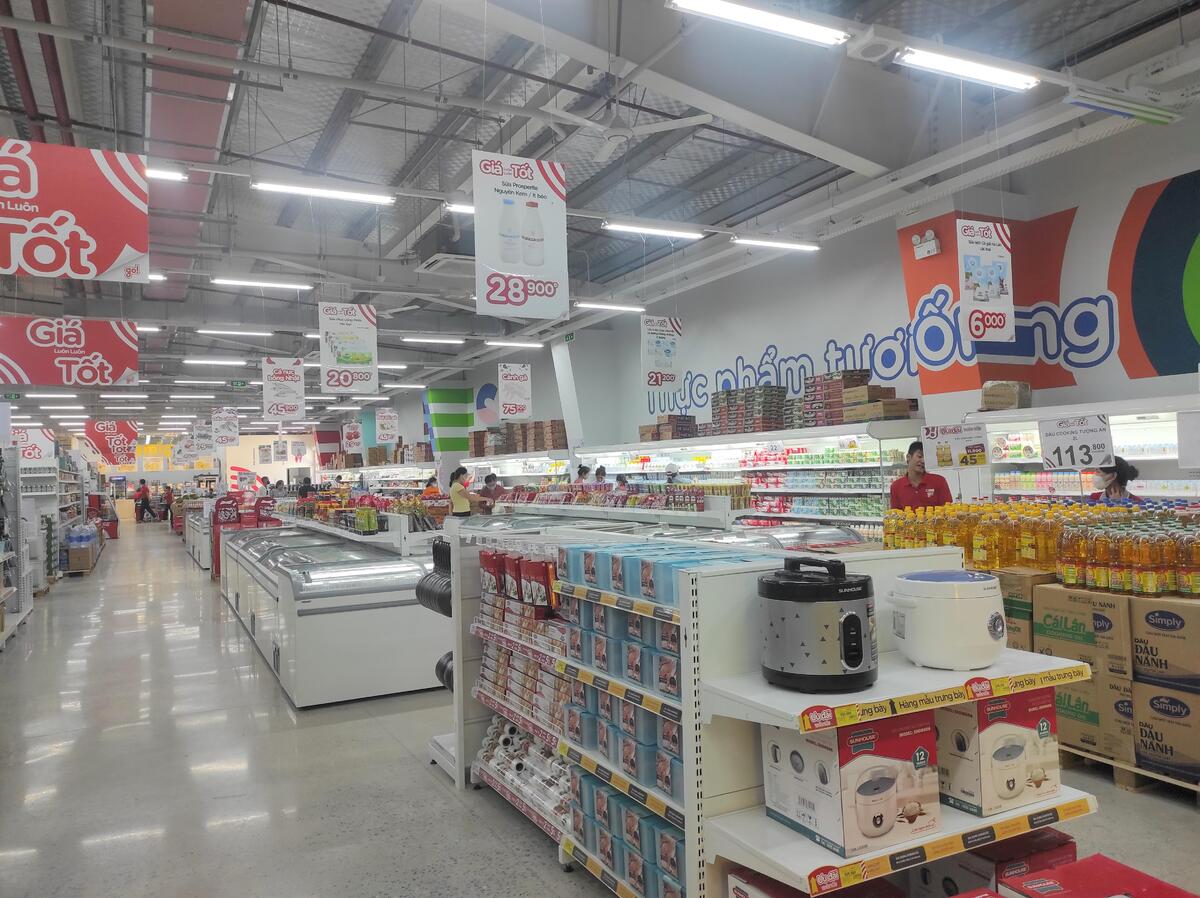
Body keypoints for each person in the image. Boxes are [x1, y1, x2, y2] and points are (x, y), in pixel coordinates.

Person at [890, 441, 953, 510]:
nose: (923, 461)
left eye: (926, 458)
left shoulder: (939, 481)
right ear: (908, 457)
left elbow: (948, 510)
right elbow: (896, 513)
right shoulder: (896, 486)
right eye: (920, 456)